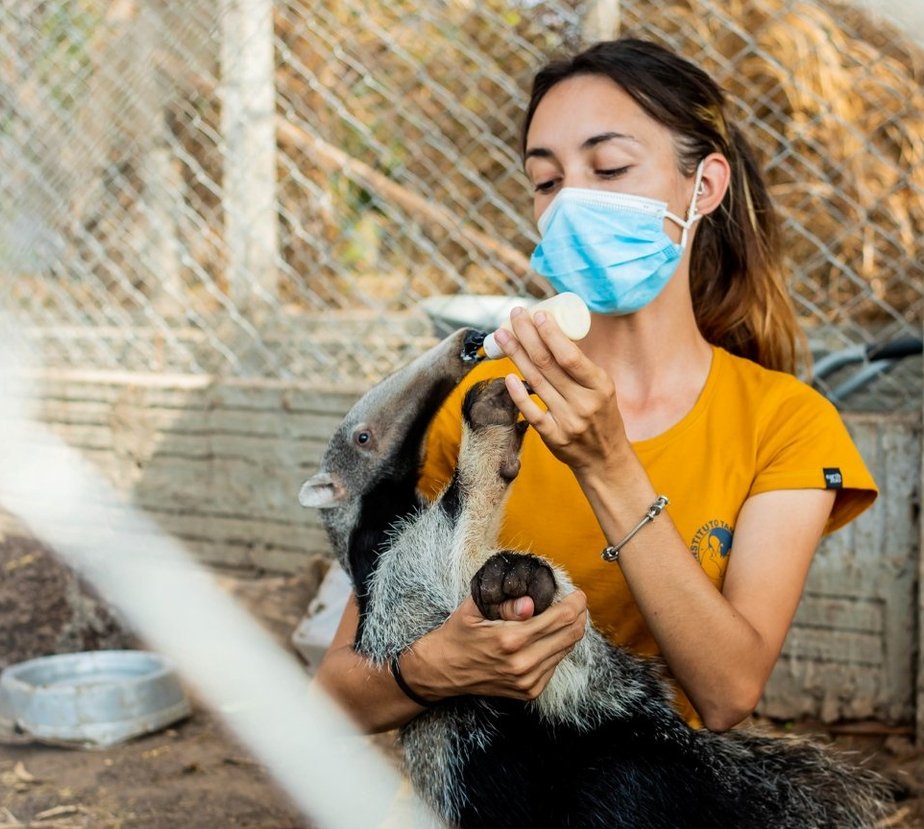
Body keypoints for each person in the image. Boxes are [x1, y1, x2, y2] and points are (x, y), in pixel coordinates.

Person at [314, 38, 877, 733]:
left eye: (608, 167)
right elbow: (338, 690)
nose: (571, 203)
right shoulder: (484, 404)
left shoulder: (786, 422)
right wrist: (438, 668)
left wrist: (605, 461)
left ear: (703, 187)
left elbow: (729, 691)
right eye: (546, 182)